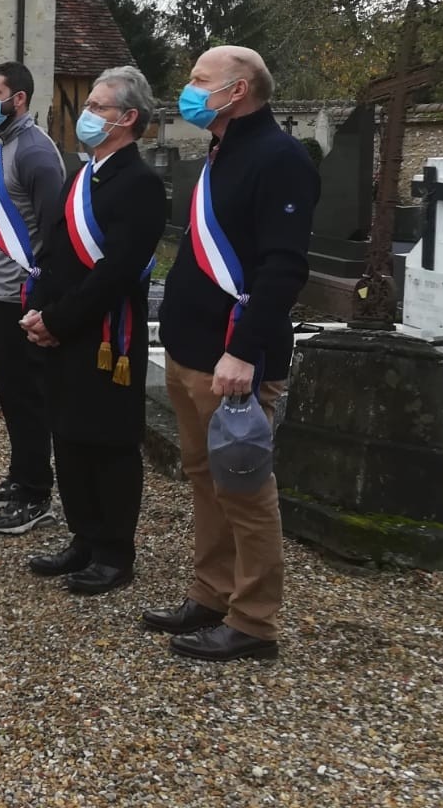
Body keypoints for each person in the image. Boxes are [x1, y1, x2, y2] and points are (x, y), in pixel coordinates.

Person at [145, 45, 319, 661]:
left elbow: (282, 267)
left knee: (244, 489)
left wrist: (243, 352)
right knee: (204, 479)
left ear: (238, 90)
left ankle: (253, 621)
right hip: (192, 349)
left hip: (236, 357)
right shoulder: (221, 152)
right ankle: (210, 593)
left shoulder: (279, 158)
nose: (188, 89)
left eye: (200, 79)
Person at [20, 66, 167, 594]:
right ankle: (82, 537)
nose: (87, 113)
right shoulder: (82, 175)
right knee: (70, 435)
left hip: (107, 335)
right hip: (61, 328)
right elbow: (54, 253)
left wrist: (59, 320)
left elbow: (117, 271)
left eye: (99, 107)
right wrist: (39, 311)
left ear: (128, 119)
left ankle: (113, 551)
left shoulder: (141, 184)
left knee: (109, 442)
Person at [0, 60, 66, 535]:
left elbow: (53, 230)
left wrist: (43, 298)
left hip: (23, 295)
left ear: (19, 98)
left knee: (28, 396)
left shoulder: (35, 152)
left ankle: (36, 494)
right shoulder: (6, 146)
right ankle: (20, 476)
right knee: (11, 392)